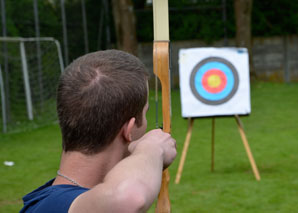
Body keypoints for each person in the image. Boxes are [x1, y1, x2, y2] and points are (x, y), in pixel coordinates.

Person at [20, 50, 177, 213]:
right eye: (145, 113)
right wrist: (152, 148)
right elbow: (128, 198)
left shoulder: (61, 200)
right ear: (128, 130)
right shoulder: (53, 206)